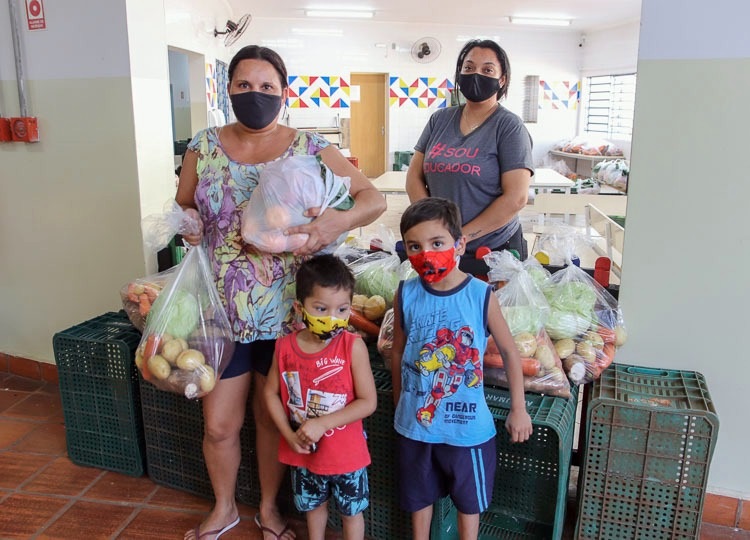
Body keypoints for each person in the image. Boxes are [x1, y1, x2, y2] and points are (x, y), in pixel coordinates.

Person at [176, 45, 386, 540]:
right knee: (219, 425)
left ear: (284, 93)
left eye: (267, 86)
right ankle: (223, 507)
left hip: (292, 317)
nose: (255, 95)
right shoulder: (202, 146)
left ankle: (269, 509)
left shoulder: (310, 148)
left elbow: (371, 198)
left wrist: (340, 218)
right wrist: (184, 223)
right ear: (227, 90)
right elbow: (186, 204)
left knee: (273, 422)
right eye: (244, 85)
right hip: (221, 313)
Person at [390, 197, 533, 540]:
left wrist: (519, 408)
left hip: (467, 429)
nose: (426, 253)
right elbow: (397, 353)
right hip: (416, 426)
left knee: (469, 503)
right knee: (418, 498)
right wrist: (400, 403)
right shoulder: (405, 293)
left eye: (437, 243)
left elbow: (511, 354)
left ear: (459, 244)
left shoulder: (481, 295)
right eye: (415, 246)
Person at [264, 254, 377, 540]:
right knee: (313, 511)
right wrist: (288, 437)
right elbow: (270, 393)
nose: (333, 318)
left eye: (342, 309)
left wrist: (323, 423)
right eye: (321, 308)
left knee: (352, 513)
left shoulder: (352, 347)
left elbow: (368, 402)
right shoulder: (285, 347)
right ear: (300, 308)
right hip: (304, 453)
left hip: (346, 455)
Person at [405, 39, 534, 260]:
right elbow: (413, 177)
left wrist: (460, 237)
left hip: (494, 251)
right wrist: (433, 229)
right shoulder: (440, 119)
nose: (476, 75)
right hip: (441, 246)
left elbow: (516, 197)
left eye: (487, 69)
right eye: (469, 67)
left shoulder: (509, 126)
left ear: (502, 80)